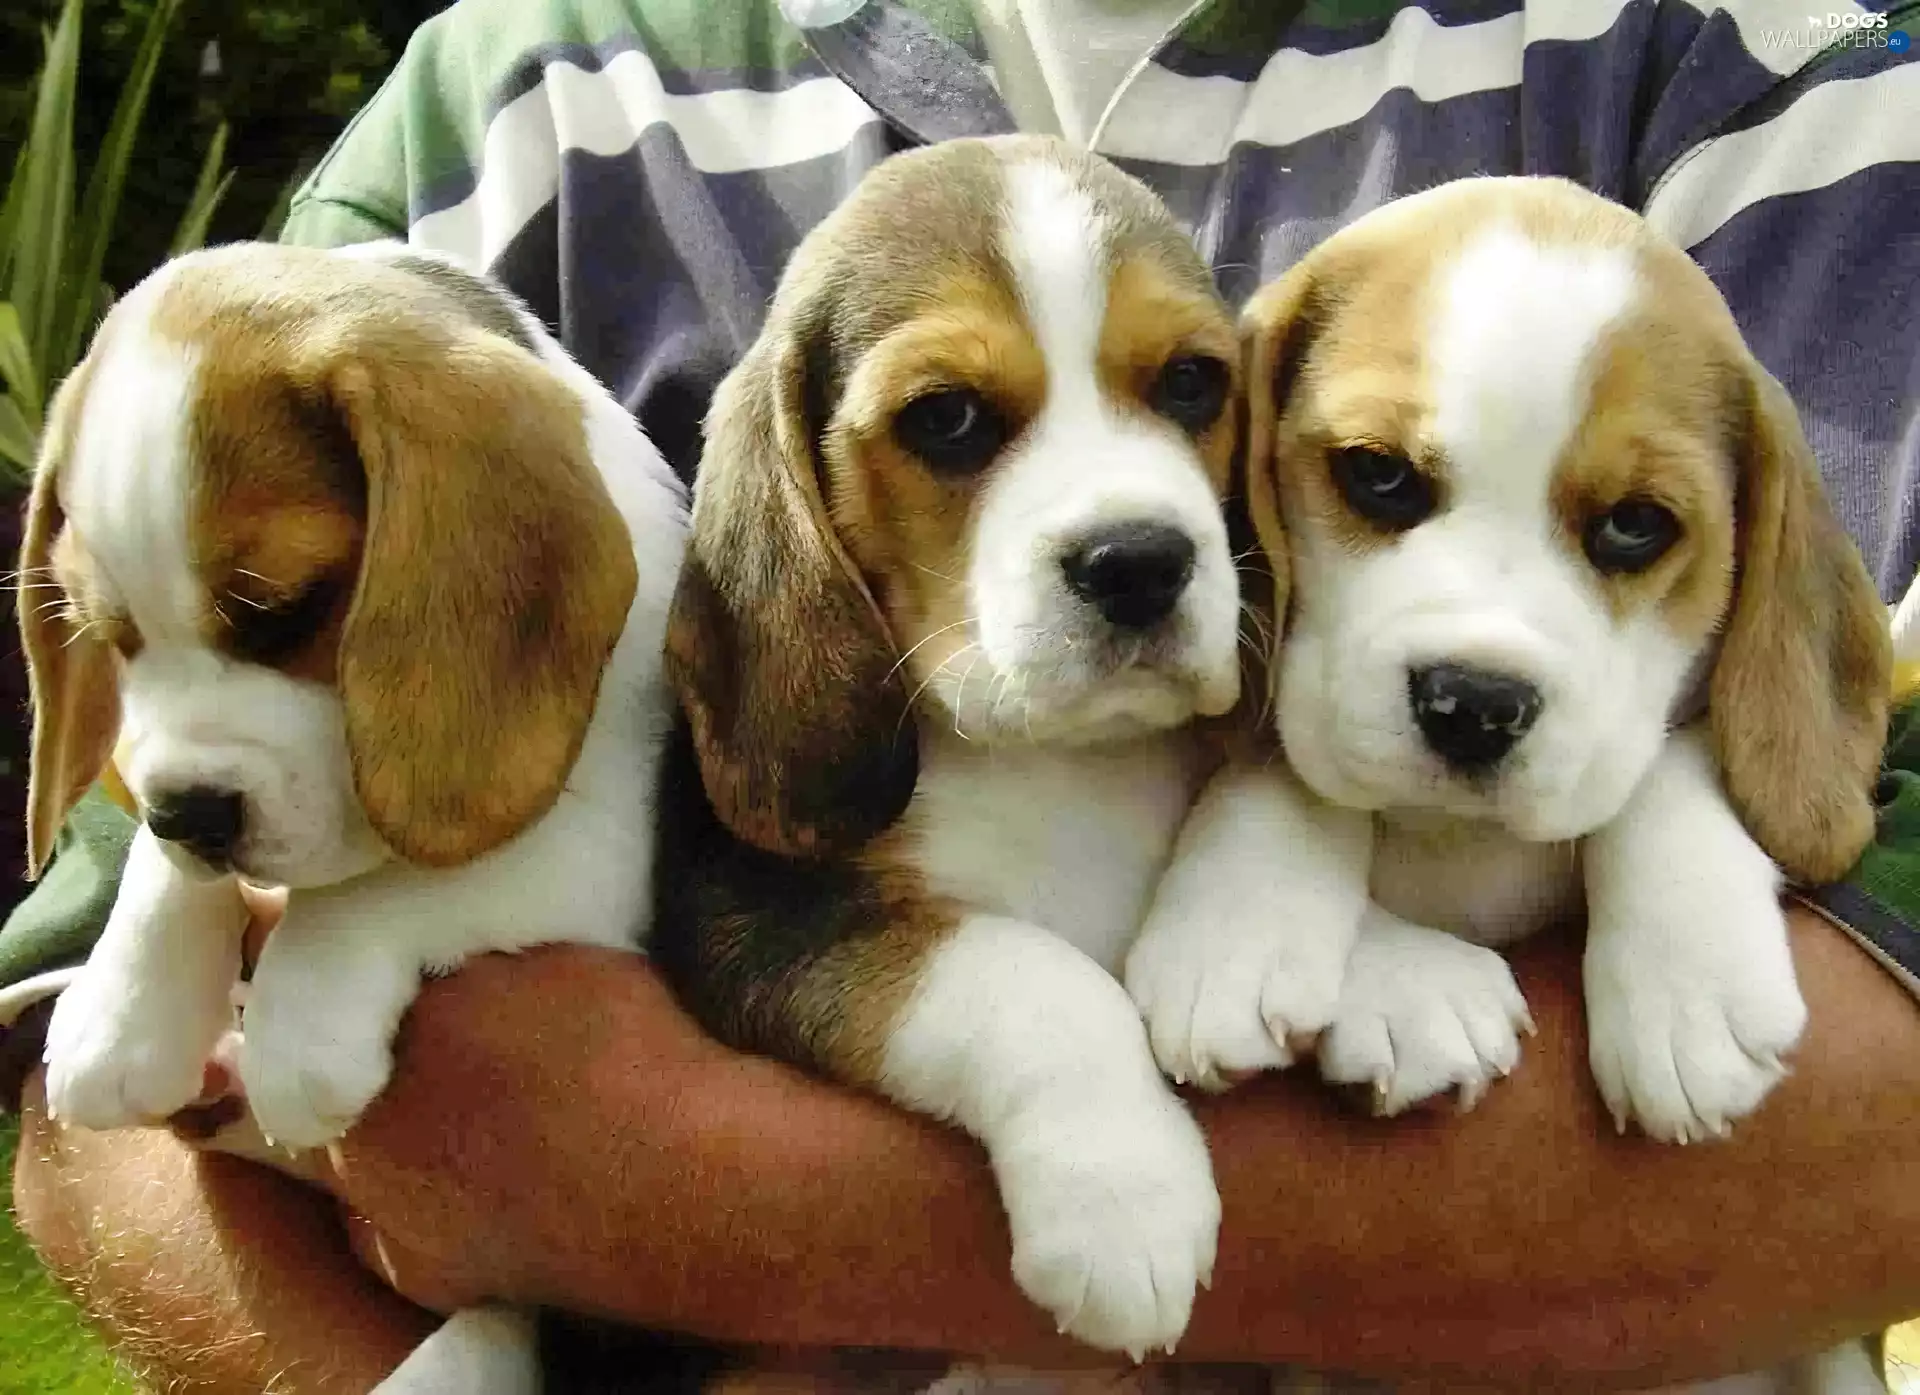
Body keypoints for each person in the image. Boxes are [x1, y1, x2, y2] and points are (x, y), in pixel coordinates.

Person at [6, 0, 1920, 1390]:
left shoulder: (1743, 61)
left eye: (1193, 393)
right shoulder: (529, 91)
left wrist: (679, 1192)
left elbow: (1883, 1086)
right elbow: (99, 1058)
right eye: (944, 421)